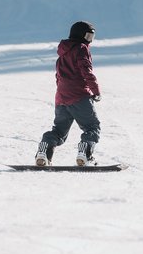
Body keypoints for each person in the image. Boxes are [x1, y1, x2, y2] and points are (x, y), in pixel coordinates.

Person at [36, 21, 101, 166]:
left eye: (92, 37)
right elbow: (86, 71)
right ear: (79, 35)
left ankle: (43, 153)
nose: (89, 40)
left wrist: (63, 94)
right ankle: (85, 155)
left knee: (58, 131)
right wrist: (95, 91)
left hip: (61, 98)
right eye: (88, 36)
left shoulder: (63, 52)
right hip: (79, 96)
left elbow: (58, 75)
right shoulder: (81, 48)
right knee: (92, 127)